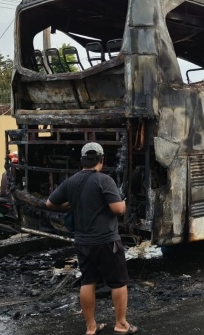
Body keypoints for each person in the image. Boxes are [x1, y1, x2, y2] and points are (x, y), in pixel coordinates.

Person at [46, 142, 138, 335]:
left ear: (82, 160)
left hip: (83, 242)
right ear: (101, 160)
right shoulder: (104, 180)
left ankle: (91, 327)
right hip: (107, 242)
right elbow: (118, 209)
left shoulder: (70, 182)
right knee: (118, 282)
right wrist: (121, 202)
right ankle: (121, 324)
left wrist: (70, 206)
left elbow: (50, 203)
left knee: (88, 281)